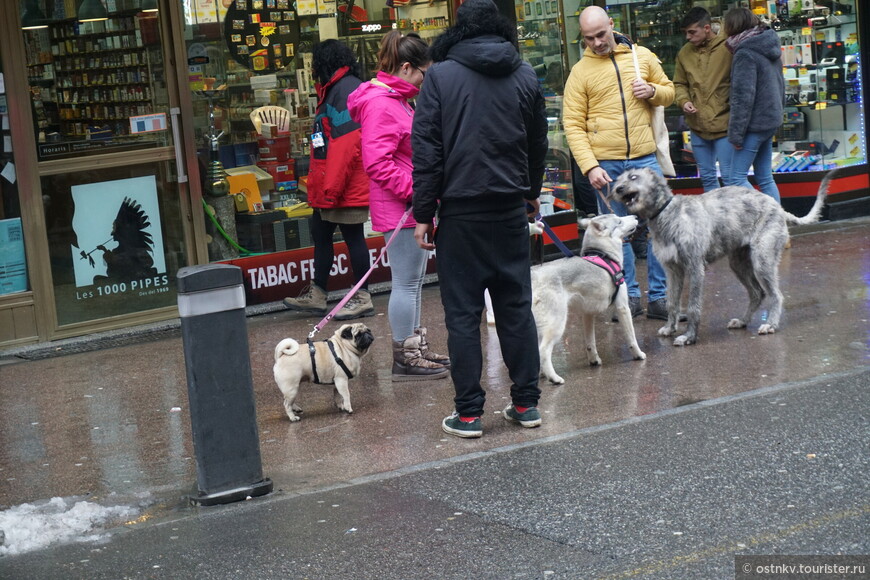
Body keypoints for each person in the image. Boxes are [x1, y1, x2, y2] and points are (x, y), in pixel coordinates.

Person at [412, 0, 548, 438]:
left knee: (464, 316)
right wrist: (529, 193)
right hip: (509, 209)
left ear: (459, 30)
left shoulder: (440, 76)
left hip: (461, 213)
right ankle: (526, 404)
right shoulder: (524, 74)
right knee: (515, 309)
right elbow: (538, 144)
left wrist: (423, 213)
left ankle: (469, 414)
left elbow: (427, 151)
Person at [347, 30, 450, 382]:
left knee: (414, 282)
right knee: (406, 283)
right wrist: (416, 194)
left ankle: (415, 348)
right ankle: (405, 356)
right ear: (406, 68)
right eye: (423, 72)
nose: (426, 80)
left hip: (407, 204)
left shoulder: (396, 98)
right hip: (402, 207)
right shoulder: (382, 103)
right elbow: (377, 163)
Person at [562, 5, 676, 321]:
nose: (597, 42)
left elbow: (670, 92)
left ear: (612, 25)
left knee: (659, 228)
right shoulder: (580, 73)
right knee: (615, 233)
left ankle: (659, 297)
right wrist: (590, 166)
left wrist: (653, 90)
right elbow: (572, 123)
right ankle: (629, 298)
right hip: (606, 163)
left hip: (643, 158)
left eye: (601, 34)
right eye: (589, 38)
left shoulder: (642, 57)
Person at [282, 39, 374, 320]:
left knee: (353, 237)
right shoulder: (336, 88)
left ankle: (363, 296)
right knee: (321, 235)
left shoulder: (343, 90)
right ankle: (318, 293)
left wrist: (331, 189)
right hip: (332, 183)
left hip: (343, 183)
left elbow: (346, 148)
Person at [724, 7, 785, 203]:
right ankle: (778, 224)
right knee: (765, 178)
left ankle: (767, 215)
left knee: (735, 178)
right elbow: (780, 85)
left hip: (753, 124)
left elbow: (743, 97)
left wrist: (736, 134)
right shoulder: (768, 45)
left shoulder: (745, 53)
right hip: (769, 121)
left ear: (732, 26)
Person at [673, 6, 733, 192]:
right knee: (707, 178)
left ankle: (736, 220)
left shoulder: (728, 47)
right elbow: (679, 84)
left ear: (707, 28)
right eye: (685, 33)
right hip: (698, 125)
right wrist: (684, 101)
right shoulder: (684, 53)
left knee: (730, 178)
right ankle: (715, 221)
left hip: (725, 124)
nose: (688, 37)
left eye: (692, 32)